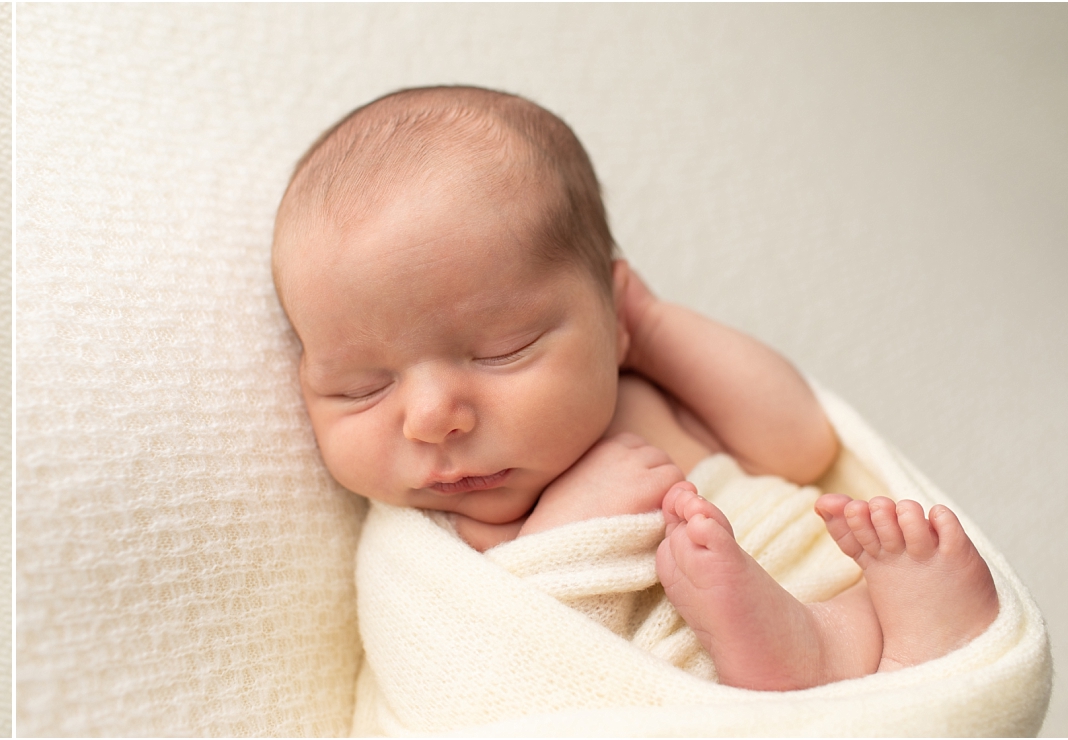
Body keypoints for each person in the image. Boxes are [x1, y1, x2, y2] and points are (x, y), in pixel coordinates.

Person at [270, 85, 998, 690]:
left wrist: (652, 327)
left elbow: (800, 444)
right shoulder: (431, 541)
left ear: (611, 318)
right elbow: (477, 671)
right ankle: (802, 655)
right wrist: (577, 532)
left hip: (815, 587)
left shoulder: (648, 394)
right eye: (360, 388)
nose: (431, 418)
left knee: (888, 612)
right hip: (678, 686)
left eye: (502, 351)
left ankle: (878, 644)